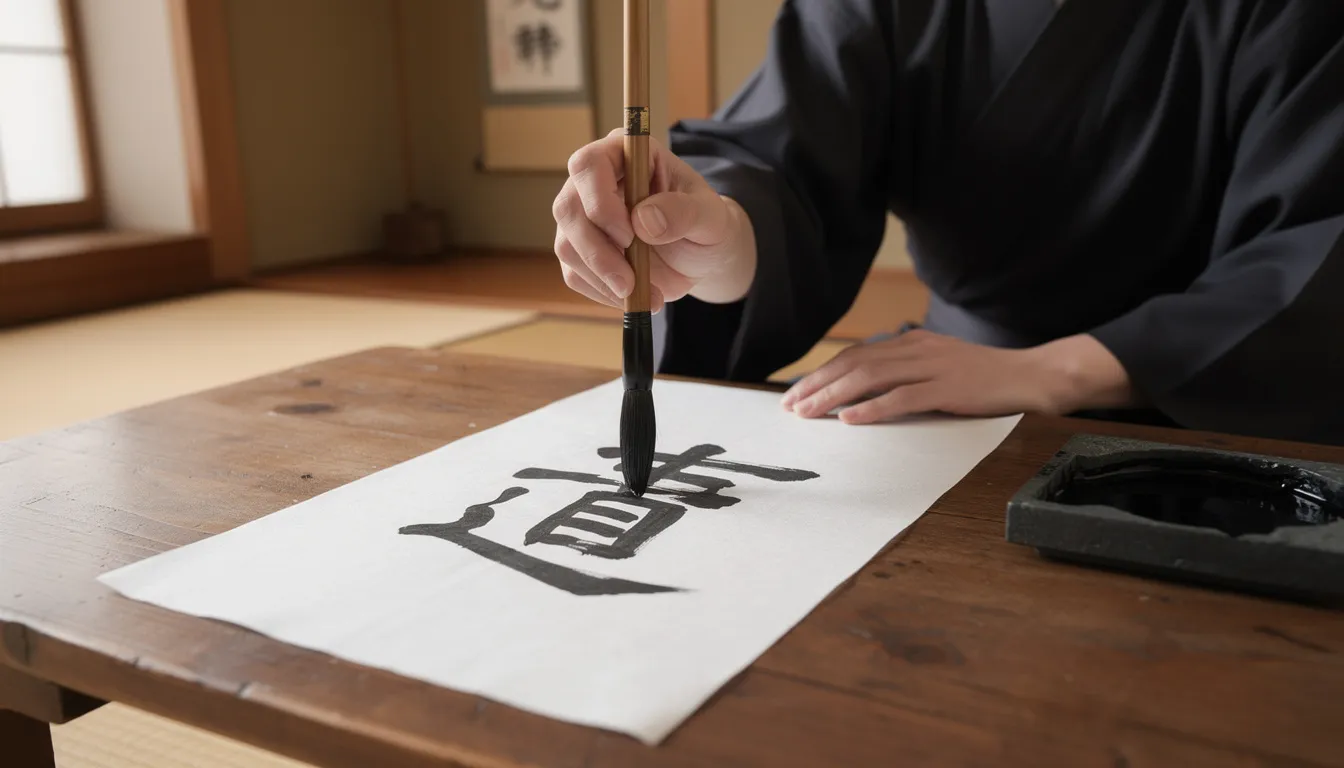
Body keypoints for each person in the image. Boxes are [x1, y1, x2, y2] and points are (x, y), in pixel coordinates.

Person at [550, 0, 1344, 446]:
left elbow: (1316, 245)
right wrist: (711, 241)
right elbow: (782, 160)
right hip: (943, 393)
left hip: (1203, 401)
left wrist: (1059, 370)